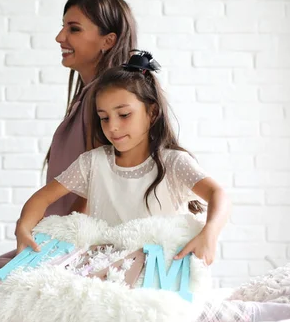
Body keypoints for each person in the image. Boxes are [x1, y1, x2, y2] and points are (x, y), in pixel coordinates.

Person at [15, 51, 230, 265]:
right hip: (107, 272)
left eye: (124, 115)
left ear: (152, 112)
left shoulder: (173, 163)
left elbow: (218, 194)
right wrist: (23, 228)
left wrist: (209, 233)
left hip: (159, 272)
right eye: (104, 118)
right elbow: (41, 199)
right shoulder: (92, 163)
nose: (112, 127)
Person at [0, 0, 137, 274]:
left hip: (75, 246)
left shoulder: (103, 103)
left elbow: (98, 189)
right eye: (63, 27)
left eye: (73, 29)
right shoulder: (86, 98)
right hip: (57, 238)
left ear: (107, 40)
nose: (60, 37)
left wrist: (61, 250)